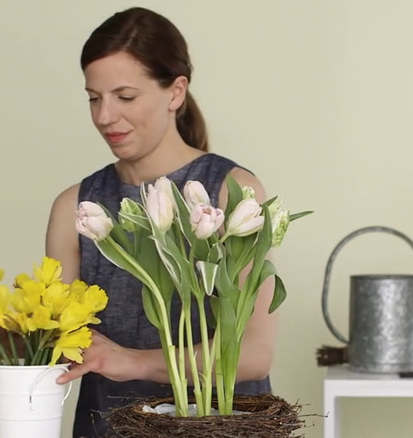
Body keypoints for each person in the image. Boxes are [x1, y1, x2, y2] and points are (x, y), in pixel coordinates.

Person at [45, 7, 278, 437]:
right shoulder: (74, 208)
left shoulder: (231, 192)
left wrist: (132, 361)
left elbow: (253, 352)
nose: (104, 116)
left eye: (125, 97)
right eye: (94, 98)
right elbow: (61, 345)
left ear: (175, 92)